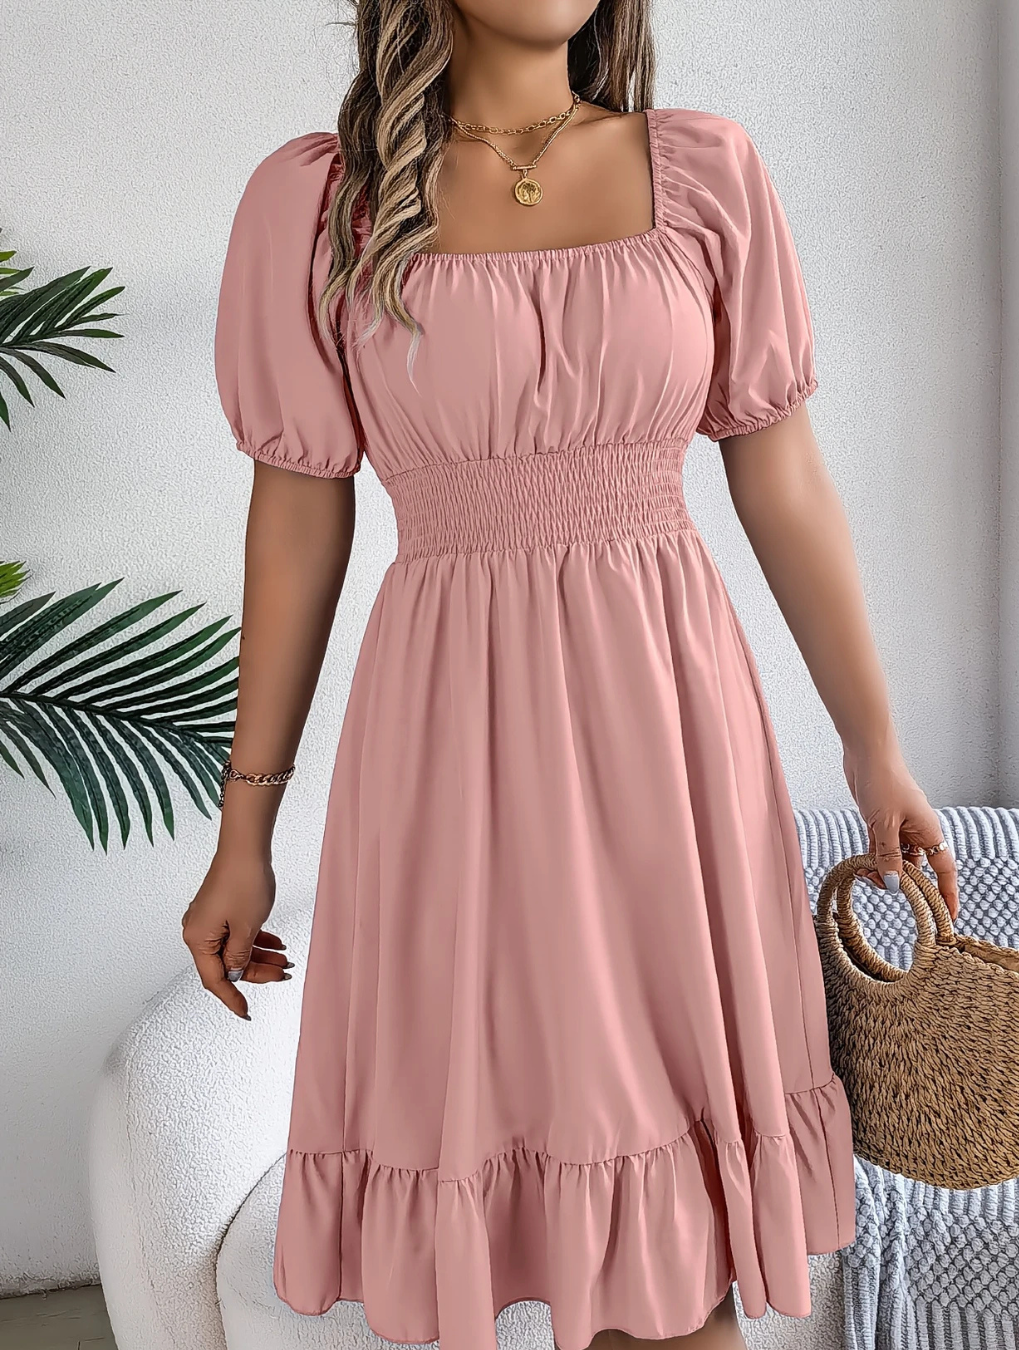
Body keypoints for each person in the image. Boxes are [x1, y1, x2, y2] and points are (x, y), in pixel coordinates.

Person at [183, 3, 960, 1349]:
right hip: (451, 754)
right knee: (512, 1199)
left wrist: (872, 745)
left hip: (671, 738)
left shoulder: (706, 172)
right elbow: (298, 523)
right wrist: (242, 832)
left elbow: (783, 477)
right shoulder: (319, 205)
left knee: (676, 1270)